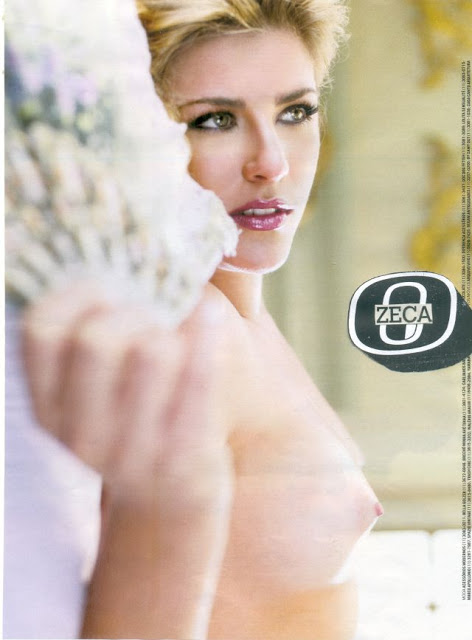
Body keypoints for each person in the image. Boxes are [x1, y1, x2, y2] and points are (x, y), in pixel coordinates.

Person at [19, 0, 383, 638]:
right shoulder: (184, 334)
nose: (271, 162)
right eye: (215, 120)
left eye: (295, 111)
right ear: (143, 137)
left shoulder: (241, 317)